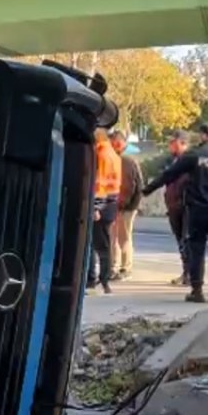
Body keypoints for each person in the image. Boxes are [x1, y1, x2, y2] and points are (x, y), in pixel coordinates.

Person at [142, 123, 208, 303]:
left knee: (197, 249)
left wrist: (147, 189)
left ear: (203, 136)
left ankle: (197, 290)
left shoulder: (194, 155)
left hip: (198, 210)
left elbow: (169, 174)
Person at [89, 125, 122, 294]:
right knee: (104, 244)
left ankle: (98, 280)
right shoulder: (115, 156)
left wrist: (95, 207)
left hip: (100, 206)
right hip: (111, 205)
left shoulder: (101, 154)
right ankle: (103, 279)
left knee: (96, 246)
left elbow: (99, 183)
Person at [110, 131, 144, 281]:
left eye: (116, 142)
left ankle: (124, 268)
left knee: (122, 237)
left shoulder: (127, 160)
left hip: (125, 206)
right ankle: (115, 266)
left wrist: (127, 205)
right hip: (120, 204)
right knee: (116, 237)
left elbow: (134, 185)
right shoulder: (123, 159)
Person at [161, 131, 194, 286]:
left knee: (187, 240)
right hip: (174, 206)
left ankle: (190, 274)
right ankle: (186, 272)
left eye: (173, 142)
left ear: (183, 143)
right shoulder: (171, 161)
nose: (170, 145)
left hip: (187, 206)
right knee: (180, 241)